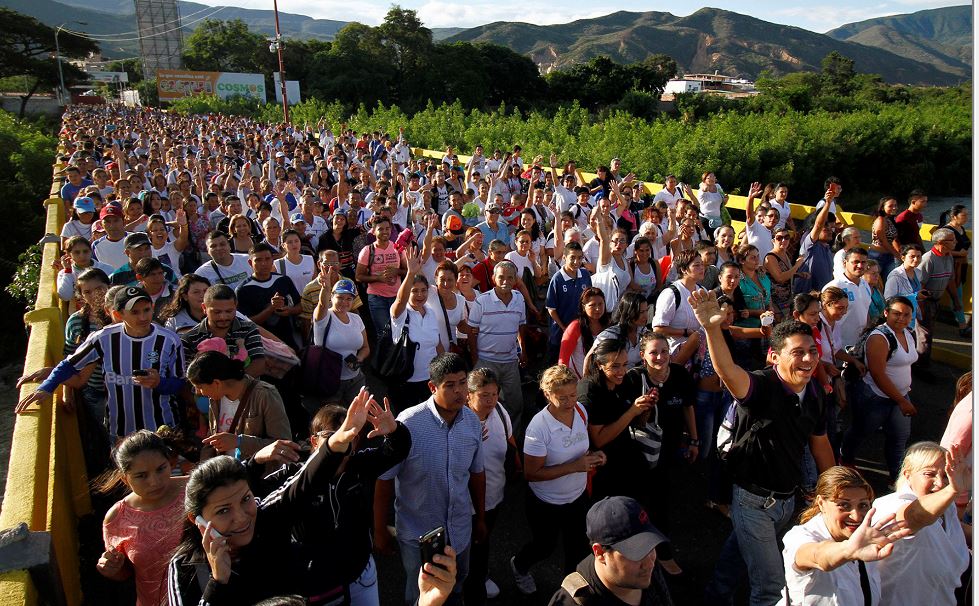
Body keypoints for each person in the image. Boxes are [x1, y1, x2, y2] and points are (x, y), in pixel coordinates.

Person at [167, 392, 378, 605]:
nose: (241, 517)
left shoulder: (265, 518)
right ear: (197, 520)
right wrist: (218, 582)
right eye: (223, 510)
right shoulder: (186, 567)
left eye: (246, 499)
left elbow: (303, 484)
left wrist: (338, 441)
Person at [692, 291, 834, 605]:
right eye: (798, 353)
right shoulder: (760, 387)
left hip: (787, 502)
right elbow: (728, 372)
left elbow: (820, 443)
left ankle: (714, 597)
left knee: (738, 554)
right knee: (770, 588)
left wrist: (833, 489)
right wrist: (713, 329)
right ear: (774, 357)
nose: (809, 359)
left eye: (812, 351)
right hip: (752, 503)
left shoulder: (814, 394)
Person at [251, 397, 409, 606]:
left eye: (351, 433)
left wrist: (394, 430)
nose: (344, 441)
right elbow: (253, 499)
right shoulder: (295, 474)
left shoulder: (359, 465)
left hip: (361, 574)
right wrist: (254, 462)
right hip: (316, 585)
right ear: (314, 440)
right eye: (332, 436)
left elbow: (396, 450)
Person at [374, 353, 486, 605]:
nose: (459, 391)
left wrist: (480, 518)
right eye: (449, 385)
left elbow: (477, 474)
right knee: (420, 595)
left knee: (456, 587)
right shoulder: (407, 424)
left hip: (459, 530)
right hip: (418, 536)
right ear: (432, 387)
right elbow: (385, 481)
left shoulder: (472, 422)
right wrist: (380, 530)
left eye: (462, 382)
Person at [18, 286, 186, 440]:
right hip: (120, 431)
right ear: (119, 315)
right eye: (135, 312)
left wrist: (159, 383)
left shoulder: (170, 340)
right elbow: (70, 364)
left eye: (147, 310)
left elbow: (179, 384)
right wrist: (46, 387)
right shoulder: (103, 338)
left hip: (162, 427)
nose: (143, 317)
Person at [511, 364, 606, 594]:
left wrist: (594, 456)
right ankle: (519, 565)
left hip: (577, 497)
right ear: (547, 395)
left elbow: (580, 447)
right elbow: (531, 473)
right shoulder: (538, 427)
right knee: (544, 547)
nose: (570, 402)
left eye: (573, 395)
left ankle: (569, 593)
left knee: (576, 548)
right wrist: (576, 466)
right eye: (562, 398)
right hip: (546, 503)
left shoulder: (581, 411)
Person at [617, 331, 697, 575]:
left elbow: (688, 407)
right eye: (654, 352)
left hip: (668, 449)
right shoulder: (633, 379)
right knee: (637, 500)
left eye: (664, 351)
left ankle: (661, 553)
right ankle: (631, 554)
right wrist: (643, 409)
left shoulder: (680, 374)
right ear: (643, 356)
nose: (660, 357)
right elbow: (630, 423)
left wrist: (694, 440)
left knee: (661, 501)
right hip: (638, 453)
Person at [779, 466, 909, 606]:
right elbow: (819, 556)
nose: (856, 515)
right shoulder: (799, 537)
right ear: (821, 503)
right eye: (844, 505)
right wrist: (849, 550)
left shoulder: (868, 534)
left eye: (863, 505)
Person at [871, 442, 970, 606]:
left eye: (946, 475)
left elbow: (955, 529)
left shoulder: (947, 507)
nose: (940, 483)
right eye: (929, 474)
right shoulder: (892, 505)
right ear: (907, 475)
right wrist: (952, 490)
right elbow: (913, 517)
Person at [97, 429, 188, 606]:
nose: (154, 482)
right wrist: (111, 569)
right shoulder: (117, 518)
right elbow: (125, 572)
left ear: (170, 462)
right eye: (141, 476)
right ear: (125, 479)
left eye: (161, 469)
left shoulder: (195, 491)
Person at [839, 295, 918, 482]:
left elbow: (905, 364)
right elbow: (878, 374)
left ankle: (896, 479)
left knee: (899, 438)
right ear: (886, 313)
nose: (901, 318)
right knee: (861, 430)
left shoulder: (909, 333)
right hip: (875, 397)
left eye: (906, 315)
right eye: (896, 314)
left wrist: (904, 388)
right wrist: (901, 400)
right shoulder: (879, 337)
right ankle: (845, 458)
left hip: (900, 395)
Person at [548, 496, 674, 606]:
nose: (650, 563)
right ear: (600, 553)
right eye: (637, 553)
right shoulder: (571, 603)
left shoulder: (646, 567)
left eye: (650, 546)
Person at [463, 368, 517, 605]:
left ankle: (479, 575)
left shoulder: (500, 413)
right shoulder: (459, 421)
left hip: (493, 495)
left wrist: (518, 464)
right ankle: (462, 584)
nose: (491, 400)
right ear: (469, 395)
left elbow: (509, 439)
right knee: (464, 543)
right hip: (465, 502)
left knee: (482, 541)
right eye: (485, 395)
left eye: (494, 394)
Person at [187, 350, 292, 461]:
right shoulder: (215, 399)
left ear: (216, 383)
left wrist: (239, 442)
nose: (198, 392)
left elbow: (284, 446)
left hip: (256, 474)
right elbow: (212, 440)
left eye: (200, 387)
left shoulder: (265, 395)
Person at [468, 260, 528, 433]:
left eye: (510, 277)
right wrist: (475, 359)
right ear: (494, 278)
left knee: (515, 403)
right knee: (484, 405)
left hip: (510, 361)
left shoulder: (519, 298)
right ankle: (485, 436)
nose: (505, 281)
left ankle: (511, 438)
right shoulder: (482, 301)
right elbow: (473, 331)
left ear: (515, 280)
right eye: (501, 277)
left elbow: (521, 326)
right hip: (486, 362)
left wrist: (523, 352)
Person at [389, 247, 443, 412]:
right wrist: (410, 274)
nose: (420, 295)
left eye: (423, 290)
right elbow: (400, 298)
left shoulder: (431, 312)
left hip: (430, 381)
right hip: (405, 382)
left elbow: (438, 345)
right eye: (414, 291)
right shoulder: (400, 313)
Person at [181, 284, 267, 377]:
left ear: (236, 306)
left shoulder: (248, 329)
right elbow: (189, 376)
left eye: (229, 311)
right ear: (204, 308)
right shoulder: (189, 338)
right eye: (217, 312)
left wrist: (230, 385)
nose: (223, 317)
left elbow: (258, 365)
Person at [312, 278, 369, 407]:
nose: (344, 302)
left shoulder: (356, 319)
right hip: (330, 379)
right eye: (340, 297)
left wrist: (358, 359)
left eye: (349, 299)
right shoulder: (324, 316)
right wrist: (325, 288)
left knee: (361, 415)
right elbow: (322, 304)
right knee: (333, 421)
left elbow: (366, 347)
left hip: (355, 379)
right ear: (331, 297)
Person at [235, 243, 303, 352]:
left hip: (289, 340)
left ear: (272, 260)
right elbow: (246, 323)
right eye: (258, 260)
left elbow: (300, 306)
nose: (264, 263)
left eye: (267, 259)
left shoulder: (283, 280)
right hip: (262, 346)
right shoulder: (243, 290)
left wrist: (290, 310)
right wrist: (270, 308)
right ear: (250, 262)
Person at [914, 228, 956, 376]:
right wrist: (921, 307)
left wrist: (956, 300)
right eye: (952, 240)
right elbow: (920, 285)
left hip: (936, 301)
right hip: (925, 301)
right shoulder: (928, 259)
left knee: (927, 333)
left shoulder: (948, 256)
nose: (955, 242)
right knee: (924, 335)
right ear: (941, 243)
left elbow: (950, 280)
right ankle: (921, 367)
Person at [356, 216, 405, 339]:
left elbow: (408, 271)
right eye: (381, 229)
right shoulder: (367, 251)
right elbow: (358, 276)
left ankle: (396, 358)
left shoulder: (397, 248)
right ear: (373, 231)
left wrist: (397, 271)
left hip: (397, 297)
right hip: (377, 298)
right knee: (384, 334)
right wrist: (378, 278)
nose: (385, 232)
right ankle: (383, 358)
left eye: (387, 228)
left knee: (398, 332)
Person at [651, 250, 704, 356]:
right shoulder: (671, 293)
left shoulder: (703, 291)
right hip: (676, 350)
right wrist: (685, 332)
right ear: (684, 269)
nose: (702, 268)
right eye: (697, 265)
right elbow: (658, 329)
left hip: (700, 348)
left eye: (702, 264)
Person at [558, 287, 610, 378]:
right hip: (578, 381)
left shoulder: (609, 325)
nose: (597, 309)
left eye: (600, 304)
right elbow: (563, 361)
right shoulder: (574, 327)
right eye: (592, 305)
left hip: (603, 380)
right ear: (583, 307)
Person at [937, 204, 971, 336]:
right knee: (957, 295)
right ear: (954, 216)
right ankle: (962, 325)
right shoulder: (947, 231)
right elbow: (940, 248)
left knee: (957, 294)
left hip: (961, 267)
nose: (966, 218)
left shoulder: (960, 228)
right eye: (964, 215)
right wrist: (960, 254)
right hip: (951, 267)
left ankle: (957, 320)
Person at [795, 188, 837, 294]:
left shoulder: (827, 249)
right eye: (826, 228)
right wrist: (828, 203)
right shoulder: (809, 245)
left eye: (831, 228)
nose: (830, 231)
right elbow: (818, 225)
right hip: (807, 297)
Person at [56, 235, 115, 301]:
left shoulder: (107, 269)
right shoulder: (65, 273)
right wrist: (68, 271)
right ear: (69, 254)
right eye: (77, 252)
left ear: (91, 251)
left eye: (85, 251)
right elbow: (65, 297)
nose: (82, 256)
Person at [765, 227, 805, 321]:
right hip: (776, 303)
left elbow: (785, 274)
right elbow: (779, 278)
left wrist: (798, 274)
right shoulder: (771, 257)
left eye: (786, 237)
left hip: (787, 300)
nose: (784, 240)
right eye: (779, 238)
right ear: (773, 240)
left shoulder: (784, 254)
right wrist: (797, 266)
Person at [883, 244, 923, 329]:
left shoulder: (918, 273)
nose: (916, 259)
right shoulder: (895, 276)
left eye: (918, 256)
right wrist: (915, 296)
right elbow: (889, 299)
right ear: (903, 258)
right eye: (912, 256)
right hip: (899, 318)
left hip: (911, 316)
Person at [870, 196, 901, 279]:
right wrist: (897, 254)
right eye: (890, 206)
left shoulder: (888, 219)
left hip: (888, 255)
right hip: (878, 255)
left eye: (895, 205)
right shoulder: (881, 220)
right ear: (883, 208)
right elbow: (883, 240)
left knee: (887, 281)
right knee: (874, 280)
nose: (894, 208)